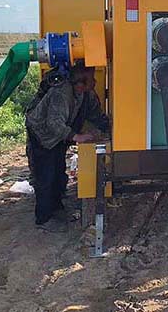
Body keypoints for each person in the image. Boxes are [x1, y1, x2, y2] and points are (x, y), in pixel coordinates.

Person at [25, 64, 109, 228]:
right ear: (80, 83)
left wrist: (107, 127)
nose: (95, 82)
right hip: (42, 135)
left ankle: (56, 208)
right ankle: (43, 219)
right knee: (46, 176)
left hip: (57, 137)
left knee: (58, 172)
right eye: (91, 79)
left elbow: (96, 114)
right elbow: (54, 123)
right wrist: (76, 137)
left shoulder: (86, 94)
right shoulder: (62, 93)